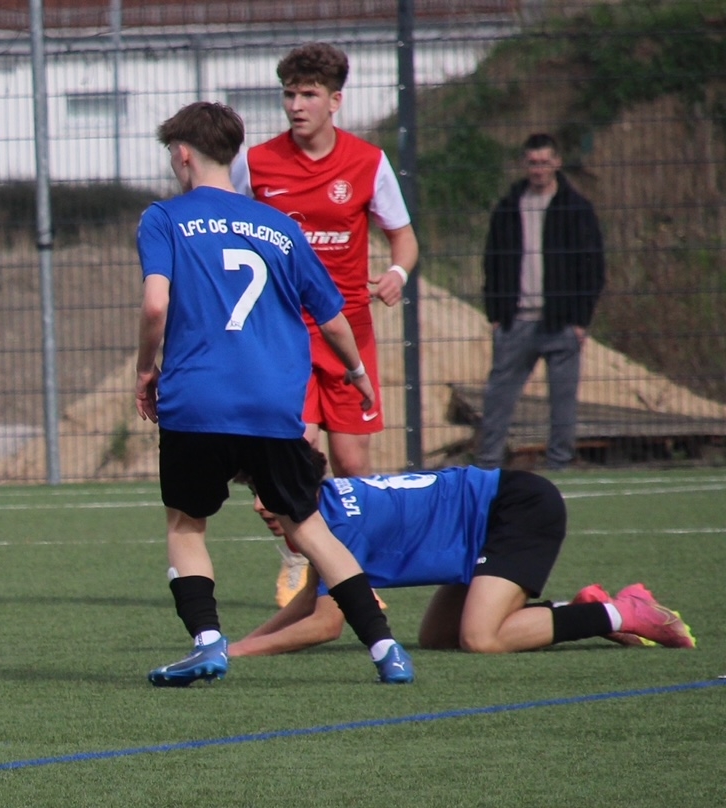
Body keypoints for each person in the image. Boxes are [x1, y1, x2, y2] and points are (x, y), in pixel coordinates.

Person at [135, 100, 413, 687]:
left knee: (187, 524)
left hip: (198, 401)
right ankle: (386, 647)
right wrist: (357, 372)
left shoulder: (164, 218)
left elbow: (156, 305)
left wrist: (143, 371)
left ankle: (208, 643)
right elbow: (331, 318)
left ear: (182, 155)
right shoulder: (280, 226)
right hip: (274, 403)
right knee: (308, 527)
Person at [230, 42, 419, 607]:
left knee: (353, 465)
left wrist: (397, 274)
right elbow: (225, 226)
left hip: (348, 336)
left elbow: (404, 238)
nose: (296, 105)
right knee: (294, 455)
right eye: (289, 94)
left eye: (308, 94)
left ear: (335, 101)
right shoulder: (256, 164)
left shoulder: (368, 162)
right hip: (283, 337)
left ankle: (355, 572)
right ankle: (300, 558)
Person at [229, 464, 695, 657]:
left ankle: (623, 611)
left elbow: (325, 624)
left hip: (513, 509)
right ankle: (572, 612)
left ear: (299, 488)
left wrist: (236, 654)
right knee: (436, 638)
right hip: (479, 526)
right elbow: (309, 601)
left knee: (480, 638)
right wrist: (241, 644)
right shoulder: (326, 507)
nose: (257, 506)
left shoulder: (338, 525)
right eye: (254, 492)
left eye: (266, 493)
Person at [476, 133, 606, 470]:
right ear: (524, 164)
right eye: (533, 163)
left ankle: (560, 466)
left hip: (561, 322)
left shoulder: (576, 209)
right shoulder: (507, 208)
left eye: (545, 162)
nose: (538, 169)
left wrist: (580, 321)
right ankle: (488, 465)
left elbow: (592, 267)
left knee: (563, 402)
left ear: (557, 162)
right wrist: (495, 314)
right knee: (498, 398)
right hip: (515, 320)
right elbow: (492, 262)